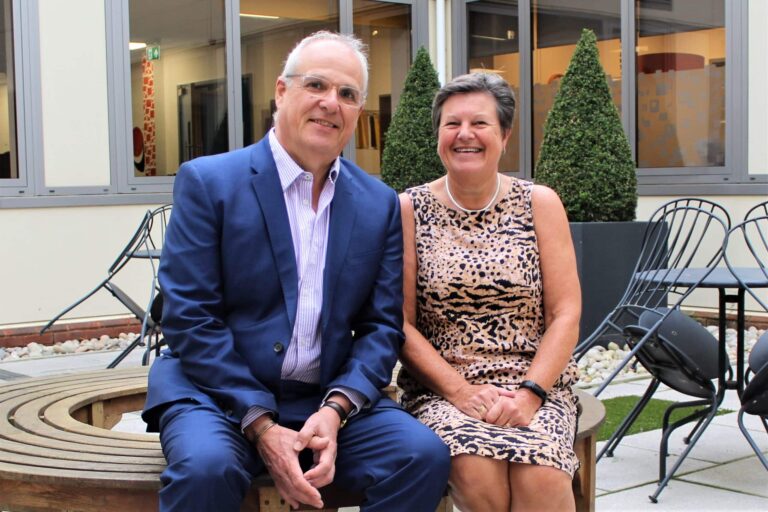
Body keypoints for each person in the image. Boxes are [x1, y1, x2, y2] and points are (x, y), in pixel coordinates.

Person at [142, 31, 450, 512]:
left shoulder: (378, 204)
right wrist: (261, 423)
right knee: (207, 470)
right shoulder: (210, 182)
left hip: (321, 399)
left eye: (347, 94)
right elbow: (190, 319)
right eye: (317, 86)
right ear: (282, 93)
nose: (332, 103)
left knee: (420, 456)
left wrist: (336, 409)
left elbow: (381, 326)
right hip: (214, 394)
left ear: (358, 112)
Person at [397, 72, 581, 512]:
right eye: (451, 123)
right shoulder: (408, 209)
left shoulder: (540, 202)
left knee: (542, 477)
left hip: (535, 384)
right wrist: (460, 392)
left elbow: (566, 311)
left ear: (504, 135)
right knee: (477, 472)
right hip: (445, 389)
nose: (465, 135)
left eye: (479, 123)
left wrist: (531, 393)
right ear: (438, 135)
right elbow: (398, 323)